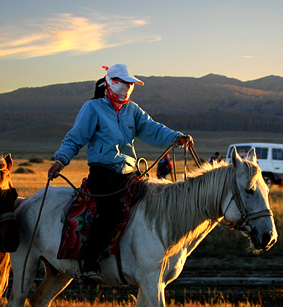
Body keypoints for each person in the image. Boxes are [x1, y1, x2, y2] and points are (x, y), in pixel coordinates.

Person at [48, 64, 194, 282]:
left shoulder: (132, 110)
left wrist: (176, 137)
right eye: (124, 83)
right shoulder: (93, 108)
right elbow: (75, 137)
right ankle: (89, 262)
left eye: (130, 84)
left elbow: (153, 129)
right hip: (103, 173)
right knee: (111, 212)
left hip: (130, 173)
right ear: (111, 82)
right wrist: (61, 160)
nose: (127, 87)